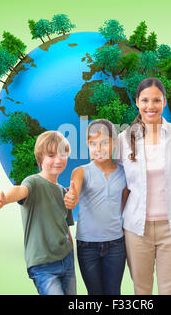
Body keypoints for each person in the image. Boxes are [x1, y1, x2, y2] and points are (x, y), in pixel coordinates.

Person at [115, 77, 171, 295]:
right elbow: (113, 179)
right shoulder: (124, 138)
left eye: (156, 100)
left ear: (164, 103)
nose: (150, 106)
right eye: (145, 100)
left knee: (170, 290)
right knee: (142, 291)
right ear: (136, 102)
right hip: (136, 227)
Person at [0, 131, 76, 295]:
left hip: (66, 260)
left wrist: (71, 249)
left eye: (62, 154)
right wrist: (4, 199)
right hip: (43, 265)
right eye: (51, 155)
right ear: (40, 158)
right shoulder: (33, 182)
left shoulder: (64, 192)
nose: (58, 160)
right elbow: (20, 190)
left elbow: (65, 227)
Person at [64, 119, 127, 295]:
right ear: (87, 145)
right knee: (95, 294)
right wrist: (71, 199)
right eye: (93, 144)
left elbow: (125, 205)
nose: (98, 149)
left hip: (116, 244)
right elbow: (74, 195)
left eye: (104, 142)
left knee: (113, 292)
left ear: (114, 143)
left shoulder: (124, 172)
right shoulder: (81, 171)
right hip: (87, 246)